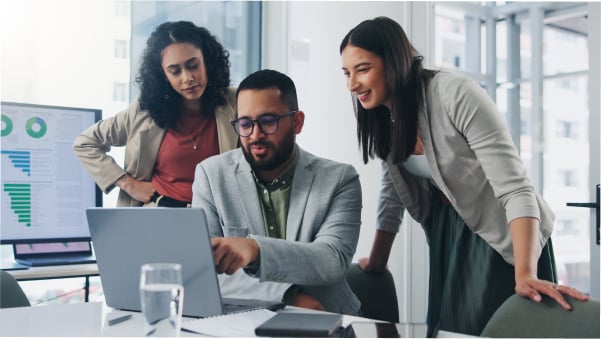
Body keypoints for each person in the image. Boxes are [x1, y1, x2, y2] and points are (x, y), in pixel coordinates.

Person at [339, 16, 589, 336]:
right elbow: (394, 188)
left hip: (504, 232)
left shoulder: (453, 93)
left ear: (395, 62)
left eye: (362, 69)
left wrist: (524, 272)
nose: (352, 84)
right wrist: (377, 261)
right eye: (346, 73)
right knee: (450, 330)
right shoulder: (383, 118)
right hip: (450, 233)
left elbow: (516, 188)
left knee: (487, 330)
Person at [191, 69, 362, 315]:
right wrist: (288, 295)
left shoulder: (340, 179)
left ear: (297, 122)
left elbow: (332, 260)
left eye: (268, 121)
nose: (255, 135)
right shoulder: (210, 175)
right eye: (245, 124)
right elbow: (204, 270)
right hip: (242, 320)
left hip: (328, 317)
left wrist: (255, 250)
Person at [73, 21, 238, 207]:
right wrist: (128, 183)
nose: (187, 78)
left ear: (207, 61)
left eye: (193, 65)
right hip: (157, 215)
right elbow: (85, 143)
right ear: (163, 75)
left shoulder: (237, 103)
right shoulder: (144, 110)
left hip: (218, 220)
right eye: (175, 71)